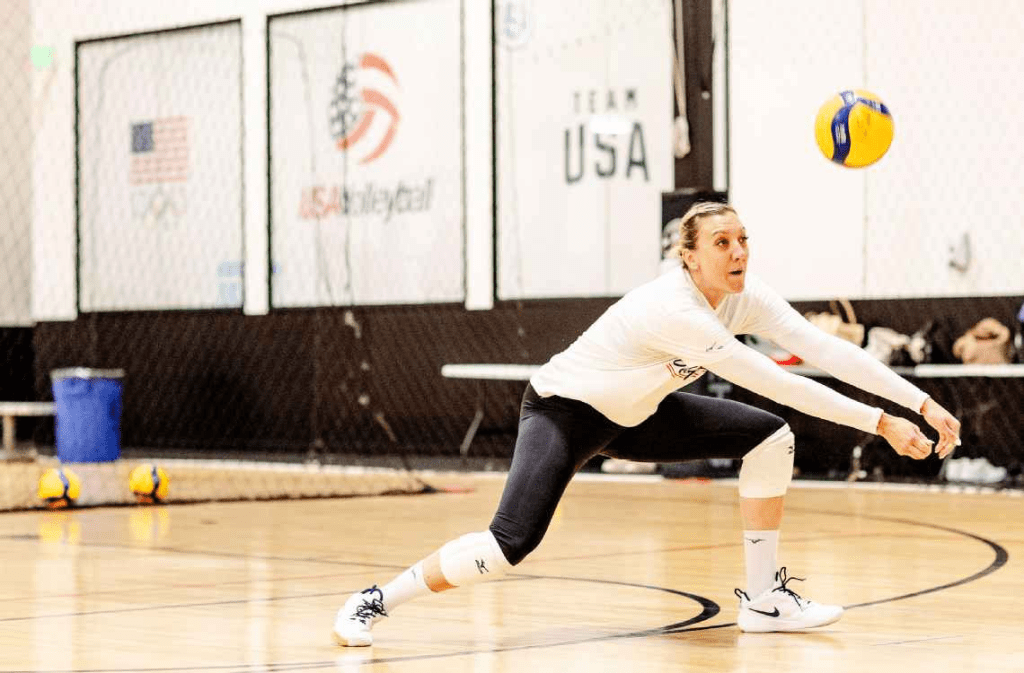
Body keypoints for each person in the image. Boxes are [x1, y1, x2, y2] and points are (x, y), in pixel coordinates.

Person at [333, 201, 961, 645]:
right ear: (688, 257)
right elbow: (776, 381)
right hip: (565, 411)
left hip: (639, 414)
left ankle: (765, 601)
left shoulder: (746, 296)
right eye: (722, 243)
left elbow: (825, 351)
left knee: (771, 437)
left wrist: (922, 404)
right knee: (506, 548)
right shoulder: (673, 309)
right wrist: (880, 422)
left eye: (743, 239)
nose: (738, 251)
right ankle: (376, 600)